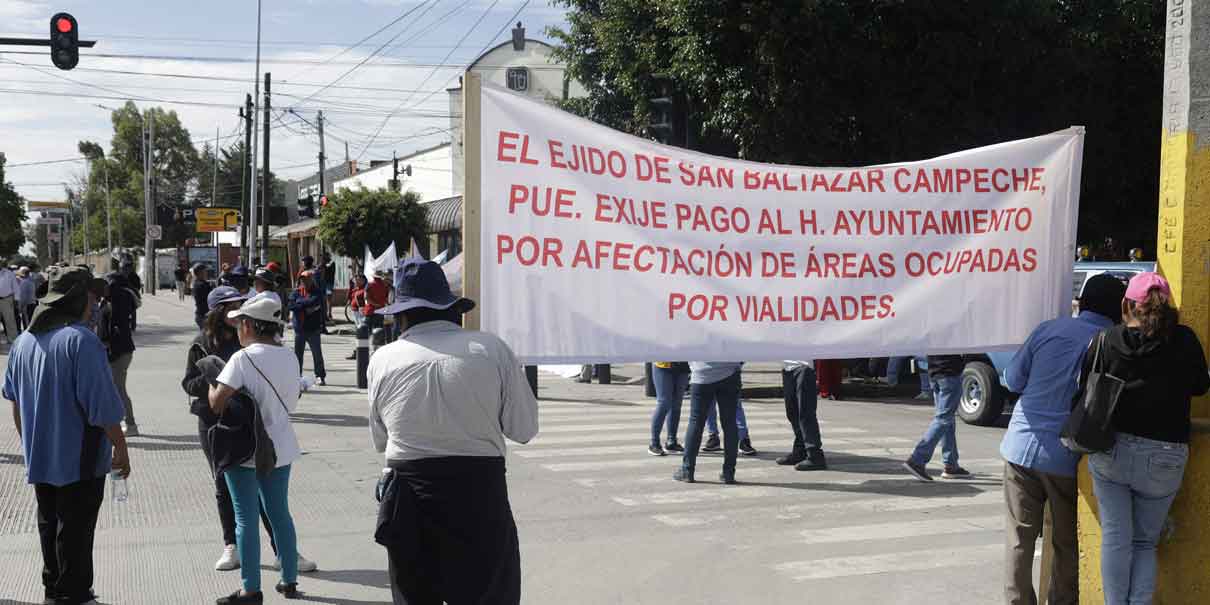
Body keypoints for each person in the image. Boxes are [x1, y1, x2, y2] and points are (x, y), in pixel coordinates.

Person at [368, 258, 537, 604]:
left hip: (408, 497)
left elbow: (380, 439)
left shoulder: (382, 359)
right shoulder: (491, 349)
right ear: (451, 309)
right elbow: (524, 429)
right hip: (477, 495)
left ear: (401, 316)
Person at [4, 266, 131, 605]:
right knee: (76, 530)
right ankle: (74, 595)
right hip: (81, 459)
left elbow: (14, 402)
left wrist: (31, 442)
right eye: (91, 295)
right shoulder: (82, 341)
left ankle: (54, 591)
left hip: (42, 456)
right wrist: (121, 448)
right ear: (76, 299)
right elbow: (103, 409)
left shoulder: (22, 342)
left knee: (50, 525)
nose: (96, 302)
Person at [1000, 274, 1127, 605]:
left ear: (1082, 303)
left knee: (1019, 538)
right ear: (1119, 309)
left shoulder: (1048, 329)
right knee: (1067, 542)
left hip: (1019, 448)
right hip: (1067, 458)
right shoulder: (1111, 340)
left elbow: (1012, 380)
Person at [1086, 273, 1209, 605]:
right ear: (1166, 306)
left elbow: (1085, 385)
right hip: (1166, 455)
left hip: (1112, 450)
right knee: (1144, 543)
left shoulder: (1109, 339)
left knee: (1116, 538)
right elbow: (1200, 386)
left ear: (1128, 304)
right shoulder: (1184, 340)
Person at [183, 286, 318, 575]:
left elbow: (224, 396)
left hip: (259, 433)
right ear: (218, 312)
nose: (238, 314)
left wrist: (224, 384)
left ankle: (273, 565)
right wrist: (216, 380)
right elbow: (190, 384)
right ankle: (234, 548)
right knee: (229, 490)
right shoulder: (203, 342)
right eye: (232, 307)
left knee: (262, 506)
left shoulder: (249, 351)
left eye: (241, 308)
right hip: (222, 428)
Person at [208, 296, 305, 604]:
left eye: (239, 323)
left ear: (249, 325)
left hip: (245, 448)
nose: (237, 328)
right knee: (280, 514)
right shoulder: (290, 357)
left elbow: (216, 402)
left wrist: (211, 380)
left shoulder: (242, 358)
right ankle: (289, 580)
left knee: (245, 519)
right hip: (281, 446)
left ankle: (251, 589)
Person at [903, 355, 970, 481]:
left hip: (935, 372)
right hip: (950, 372)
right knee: (943, 419)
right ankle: (917, 460)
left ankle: (951, 465)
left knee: (947, 420)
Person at [676, 362, 743, 484]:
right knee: (730, 424)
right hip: (730, 374)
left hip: (701, 375)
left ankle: (687, 470)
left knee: (696, 422)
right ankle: (729, 473)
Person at [101, 271, 140, 437]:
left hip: (118, 352)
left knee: (118, 390)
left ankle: (131, 424)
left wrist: (110, 351)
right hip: (120, 351)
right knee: (116, 389)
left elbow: (114, 329)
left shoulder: (118, 301)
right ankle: (125, 423)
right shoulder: (119, 298)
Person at [779, 360, 827, 470]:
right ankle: (800, 451)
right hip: (787, 368)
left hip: (804, 366)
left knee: (805, 413)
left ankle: (815, 454)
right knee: (792, 412)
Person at [288, 271, 326, 386]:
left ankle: (320, 376)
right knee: (297, 355)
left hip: (313, 329)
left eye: (306, 279)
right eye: (302, 279)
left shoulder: (317, 292)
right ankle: (296, 376)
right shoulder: (297, 291)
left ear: (312, 279)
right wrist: (305, 307)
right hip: (299, 329)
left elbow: (314, 301)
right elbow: (291, 305)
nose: (304, 281)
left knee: (317, 354)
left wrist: (299, 304)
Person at [648, 362, 689, 455]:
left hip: (682, 366)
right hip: (663, 364)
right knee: (664, 403)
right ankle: (654, 443)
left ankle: (671, 441)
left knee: (676, 405)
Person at [344, 275, 369, 360]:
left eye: (359, 280)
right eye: (356, 280)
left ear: (364, 280)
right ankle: (357, 351)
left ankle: (359, 352)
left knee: (361, 333)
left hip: (361, 313)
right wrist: (351, 286)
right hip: (355, 312)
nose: (357, 282)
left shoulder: (365, 289)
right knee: (358, 333)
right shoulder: (356, 289)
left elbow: (367, 301)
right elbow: (349, 296)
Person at [0, 261, 19, 346]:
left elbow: (15, 286)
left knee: (10, 320)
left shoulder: (9, 273)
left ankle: (13, 340)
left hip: (7, 299)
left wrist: (16, 300)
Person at [193, 264, 215, 330]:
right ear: (200, 273)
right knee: (207, 337)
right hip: (204, 316)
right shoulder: (201, 285)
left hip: (202, 315)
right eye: (205, 271)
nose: (206, 273)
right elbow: (211, 297)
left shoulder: (200, 283)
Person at [15, 267, 37, 332]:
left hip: (27, 305)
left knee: (27, 324)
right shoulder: (31, 280)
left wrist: (20, 306)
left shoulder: (24, 282)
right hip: (33, 303)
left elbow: (23, 296)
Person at [321, 253, 335, 322]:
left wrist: (323, 265)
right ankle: (326, 313)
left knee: (328, 299)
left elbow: (328, 267)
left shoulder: (332, 263)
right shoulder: (323, 264)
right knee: (324, 299)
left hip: (329, 284)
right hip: (324, 284)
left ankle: (329, 313)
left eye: (324, 257)